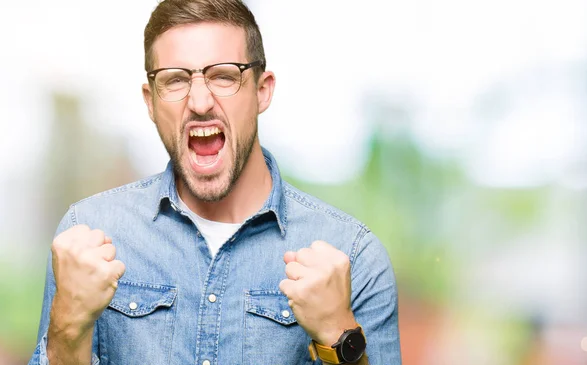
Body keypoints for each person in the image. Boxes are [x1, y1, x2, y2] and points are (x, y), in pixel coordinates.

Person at [28, 0, 401, 364]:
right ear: (151, 101)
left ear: (262, 90)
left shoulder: (354, 257)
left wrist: (339, 336)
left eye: (224, 76)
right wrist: (67, 327)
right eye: (175, 80)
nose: (201, 101)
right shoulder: (87, 236)